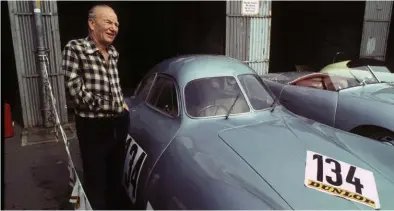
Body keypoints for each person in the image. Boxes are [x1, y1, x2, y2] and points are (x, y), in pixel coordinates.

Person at [62, 4, 129, 209]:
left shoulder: (114, 53)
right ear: (92, 23)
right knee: (96, 179)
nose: (114, 28)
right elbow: (75, 90)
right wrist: (111, 105)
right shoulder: (76, 48)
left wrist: (122, 106)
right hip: (93, 127)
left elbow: (113, 86)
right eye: (108, 22)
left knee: (116, 175)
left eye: (116, 24)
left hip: (118, 122)